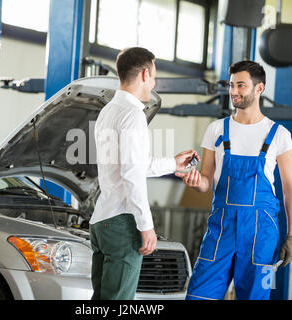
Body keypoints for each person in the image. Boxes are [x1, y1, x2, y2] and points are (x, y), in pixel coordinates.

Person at [176, 60, 292, 300]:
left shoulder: (279, 135)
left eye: (240, 85)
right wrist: (195, 181)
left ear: (259, 88)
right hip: (221, 228)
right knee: (198, 294)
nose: (233, 91)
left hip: (262, 233)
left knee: (257, 297)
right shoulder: (216, 129)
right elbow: (206, 181)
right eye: (231, 85)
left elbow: (290, 190)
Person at [89, 47, 198, 300]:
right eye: (155, 76)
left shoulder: (108, 111)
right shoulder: (133, 114)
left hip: (102, 221)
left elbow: (131, 165)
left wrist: (173, 164)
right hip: (121, 222)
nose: (154, 83)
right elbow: (132, 174)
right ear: (145, 74)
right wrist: (146, 226)